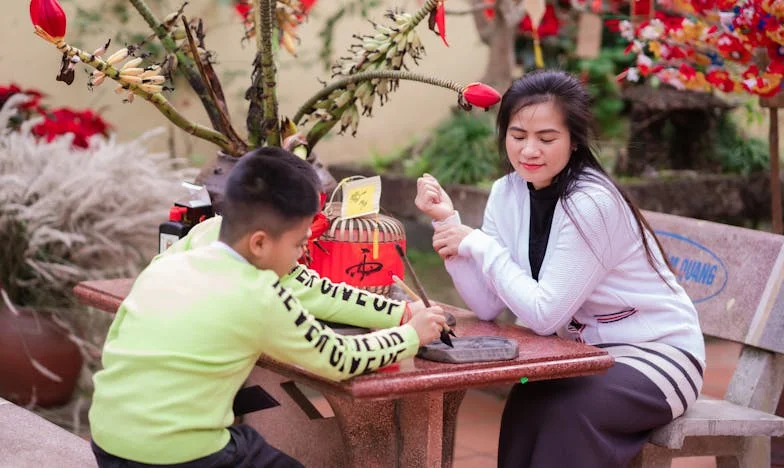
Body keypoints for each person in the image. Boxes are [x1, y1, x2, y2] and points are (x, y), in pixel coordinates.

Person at [414, 70, 705, 467]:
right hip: (578, 356)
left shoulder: (592, 203)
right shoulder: (507, 193)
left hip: (657, 355)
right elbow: (486, 307)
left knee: (568, 412)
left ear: (574, 140)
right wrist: (449, 227)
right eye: (518, 136)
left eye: (547, 139)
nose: (529, 150)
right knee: (526, 400)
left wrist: (477, 243)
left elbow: (545, 312)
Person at [89, 147, 447, 468]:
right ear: (260, 243)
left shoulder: (167, 263)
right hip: (180, 456)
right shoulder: (259, 293)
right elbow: (339, 359)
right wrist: (410, 335)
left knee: (247, 441)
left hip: (108, 442)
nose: (301, 257)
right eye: (297, 246)